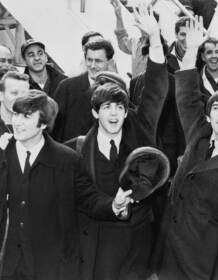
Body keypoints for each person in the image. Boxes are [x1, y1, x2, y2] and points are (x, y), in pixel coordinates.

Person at [65, 7, 169, 279]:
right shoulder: (75, 149)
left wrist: (155, 37)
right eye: (106, 107)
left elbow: (157, 86)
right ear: (94, 112)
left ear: (126, 111)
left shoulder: (141, 130)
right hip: (97, 241)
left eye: (119, 108)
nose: (113, 114)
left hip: (138, 241)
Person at [157, 16, 218, 280]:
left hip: (201, 265)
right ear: (208, 116)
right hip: (168, 257)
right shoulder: (199, 135)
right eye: (216, 109)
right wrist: (191, 50)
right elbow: (187, 94)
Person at [0, 91, 133, 280]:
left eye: (26, 116)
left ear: (44, 123)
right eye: (16, 114)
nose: (17, 122)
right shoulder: (3, 154)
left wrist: (114, 205)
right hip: (8, 264)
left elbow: (90, 200)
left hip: (51, 266)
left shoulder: (67, 160)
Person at [52, 39, 115, 142]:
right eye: (89, 60)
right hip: (72, 154)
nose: (93, 66)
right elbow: (54, 129)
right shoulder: (66, 87)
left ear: (110, 62)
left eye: (98, 61)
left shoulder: (117, 89)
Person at [111, 0, 149, 77]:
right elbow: (122, 40)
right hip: (136, 87)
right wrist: (119, 15)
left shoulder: (158, 43)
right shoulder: (136, 42)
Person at [0, 71, 29, 136]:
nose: (20, 98)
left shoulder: (35, 124)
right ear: (1, 95)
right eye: (14, 93)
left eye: (24, 93)